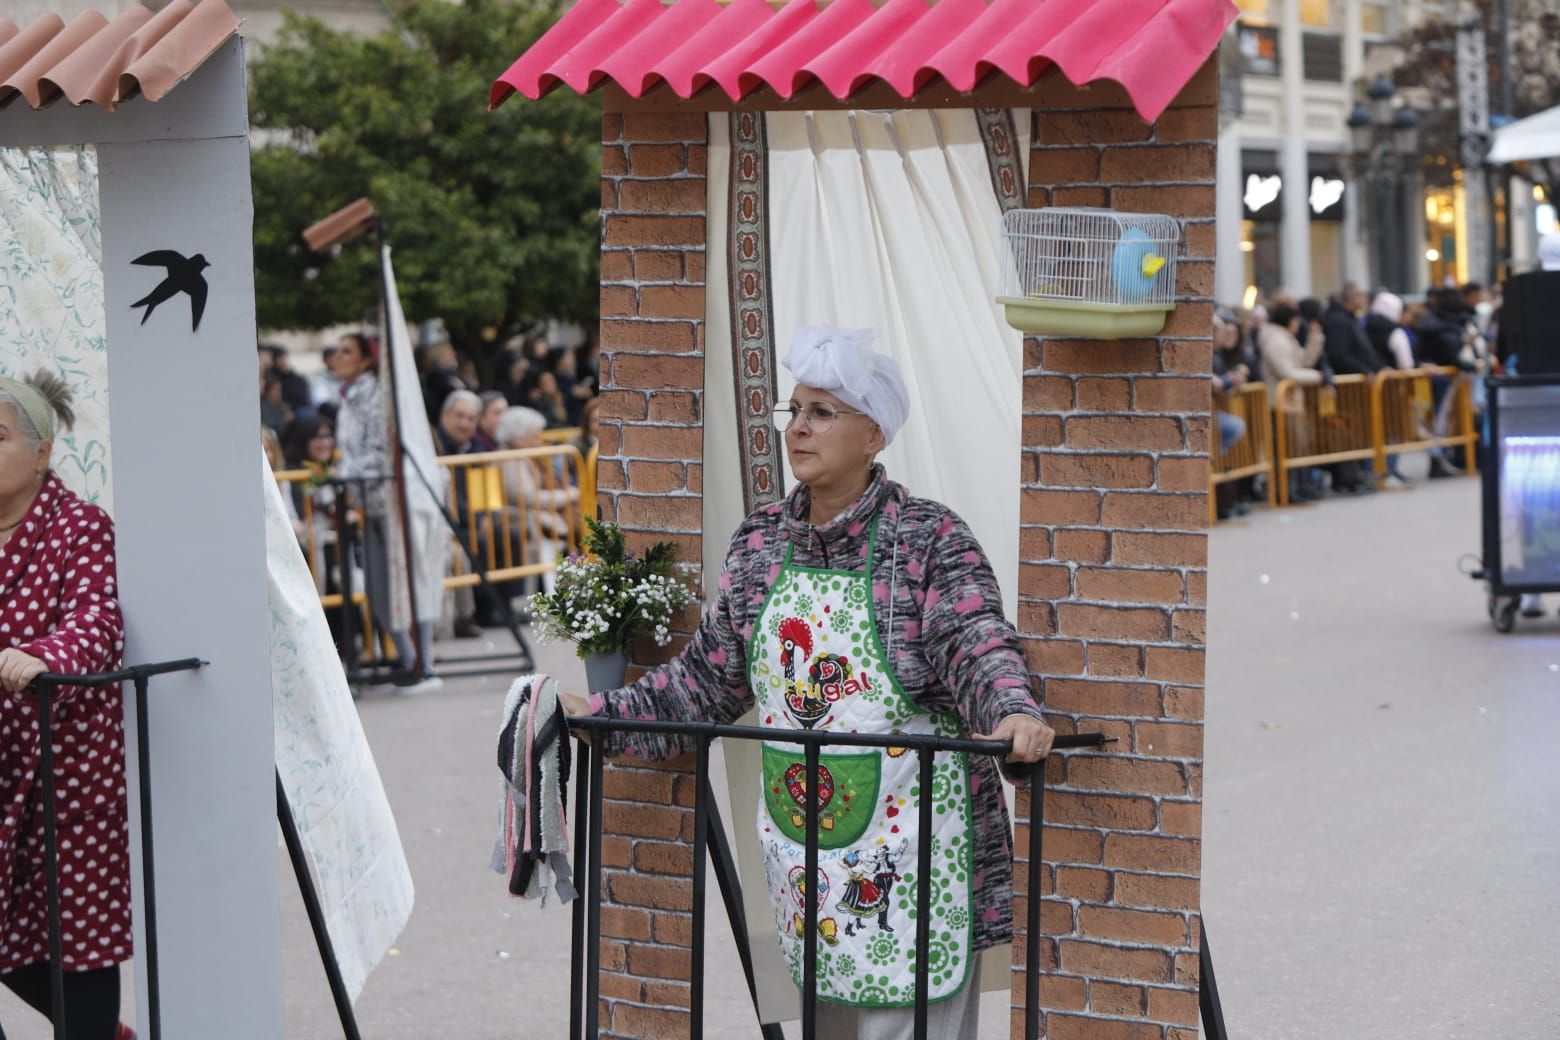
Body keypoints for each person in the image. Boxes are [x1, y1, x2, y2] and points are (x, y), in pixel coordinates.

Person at [559, 327, 1054, 1040]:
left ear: (874, 434)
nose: (798, 428)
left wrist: (1012, 713)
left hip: (915, 852)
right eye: (792, 410)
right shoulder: (759, 544)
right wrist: (597, 713)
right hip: (810, 864)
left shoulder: (930, 539)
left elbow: (978, 643)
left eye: (822, 412)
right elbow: (705, 681)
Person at [0, 371, 133, 1039]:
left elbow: (100, 618)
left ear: (43, 450)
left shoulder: (79, 527)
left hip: (67, 776)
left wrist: (46, 655)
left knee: (79, 943)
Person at [332, 333, 441, 694]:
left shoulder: (376, 397)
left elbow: (380, 450)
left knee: (410, 582)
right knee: (378, 588)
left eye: (347, 351)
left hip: (392, 502)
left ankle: (422, 662)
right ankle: (409, 657)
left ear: (365, 359)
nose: (338, 357)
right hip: (369, 503)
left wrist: (346, 479)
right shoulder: (348, 399)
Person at [1259, 301, 1327, 503]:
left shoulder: (1286, 338)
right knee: (1286, 449)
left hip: (1290, 403)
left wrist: (1315, 339)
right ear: (1289, 320)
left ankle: (1296, 488)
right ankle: (1286, 491)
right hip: (1280, 403)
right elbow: (1287, 372)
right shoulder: (1275, 340)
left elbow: (1303, 362)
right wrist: (1318, 377)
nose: (1299, 324)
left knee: (1296, 447)